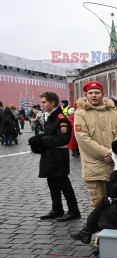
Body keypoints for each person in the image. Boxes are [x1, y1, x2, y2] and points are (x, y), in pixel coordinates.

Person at [28, 91, 80, 221]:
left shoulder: (62, 119)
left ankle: (74, 210)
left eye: (44, 102)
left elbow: (63, 140)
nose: (42, 105)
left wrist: (43, 140)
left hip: (58, 155)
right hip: (50, 155)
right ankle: (57, 209)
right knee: (52, 183)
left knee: (64, 184)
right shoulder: (50, 116)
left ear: (53, 103)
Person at [74, 81, 117, 210]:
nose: (94, 95)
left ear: (103, 94)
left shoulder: (113, 113)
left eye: (97, 92)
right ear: (86, 95)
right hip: (93, 165)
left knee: (116, 199)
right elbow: (83, 139)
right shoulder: (80, 113)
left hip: (114, 164)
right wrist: (107, 154)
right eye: (90, 93)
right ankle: (96, 228)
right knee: (97, 201)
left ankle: (111, 227)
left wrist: (112, 153)